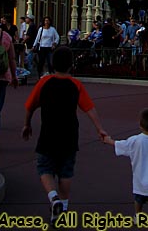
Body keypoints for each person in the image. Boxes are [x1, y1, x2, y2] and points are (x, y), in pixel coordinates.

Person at [22, 45, 107, 227]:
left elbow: (30, 105)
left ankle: (54, 199)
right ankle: (64, 207)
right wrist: (99, 128)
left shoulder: (44, 82)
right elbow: (89, 108)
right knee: (66, 171)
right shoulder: (75, 85)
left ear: (53, 63)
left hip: (48, 132)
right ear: (70, 65)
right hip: (69, 133)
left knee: (45, 167)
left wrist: (27, 124)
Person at [103, 108, 148, 222]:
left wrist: (109, 140)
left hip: (140, 180)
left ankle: (138, 216)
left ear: (140, 125)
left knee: (138, 200)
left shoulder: (135, 140)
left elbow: (121, 145)